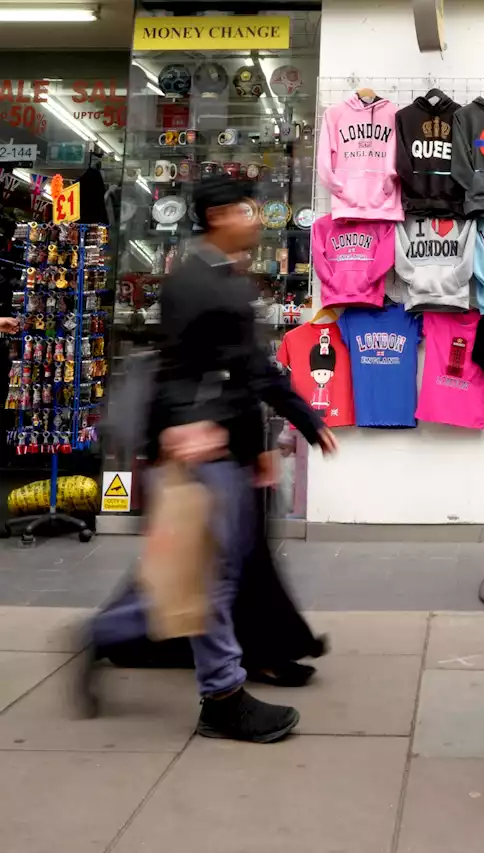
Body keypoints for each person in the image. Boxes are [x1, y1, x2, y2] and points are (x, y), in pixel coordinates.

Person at [79, 175, 339, 743]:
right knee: (210, 575)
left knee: (212, 568)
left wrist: (296, 425)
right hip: (204, 446)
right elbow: (177, 366)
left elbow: (251, 369)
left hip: (229, 445)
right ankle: (222, 695)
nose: (257, 218)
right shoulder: (194, 281)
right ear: (220, 215)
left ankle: (107, 634)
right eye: (249, 209)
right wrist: (180, 428)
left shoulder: (225, 275)